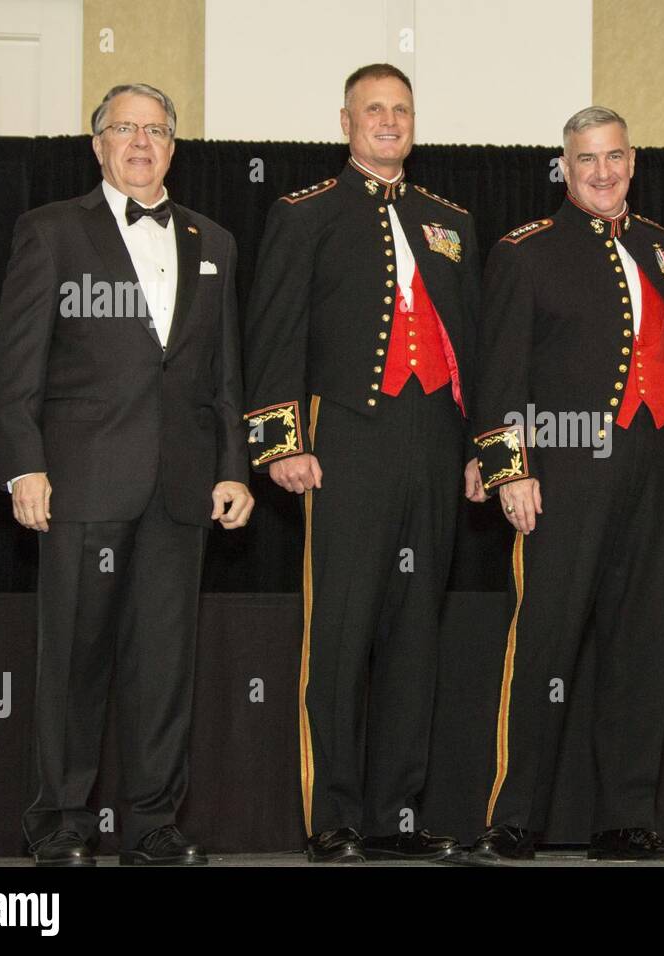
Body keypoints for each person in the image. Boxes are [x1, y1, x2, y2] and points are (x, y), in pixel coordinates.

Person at [0, 82, 253, 866]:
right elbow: (13, 370)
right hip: (81, 484)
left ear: (174, 146)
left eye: (157, 130)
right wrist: (24, 465)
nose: (141, 142)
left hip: (181, 489)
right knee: (73, 658)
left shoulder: (217, 241)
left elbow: (224, 375)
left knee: (165, 665)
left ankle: (153, 823)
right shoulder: (50, 233)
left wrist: (233, 468)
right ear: (96, 143)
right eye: (123, 129)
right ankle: (61, 820)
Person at [241, 63, 479, 864]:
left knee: (417, 634)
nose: (388, 121)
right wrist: (281, 445)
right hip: (345, 443)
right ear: (345, 122)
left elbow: (476, 351)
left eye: (401, 109)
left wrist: (487, 452)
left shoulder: (451, 220)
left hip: (435, 445)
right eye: (373, 109)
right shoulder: (304, 213)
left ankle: (396, 817)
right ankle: (333, 817)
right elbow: (273, 333)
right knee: (340, 633)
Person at [462, 107, 664, 864]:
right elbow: (498, 371)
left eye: (614, 157)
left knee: (640, 646)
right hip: (560, 476)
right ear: (563, 167)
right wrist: (508, 467)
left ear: (634, 161)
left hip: (653, 472)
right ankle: (515, 815)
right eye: (586, 160)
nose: (602, 172)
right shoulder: (525, 252)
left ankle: (624, 817)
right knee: (544, 644)